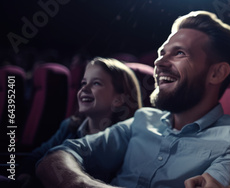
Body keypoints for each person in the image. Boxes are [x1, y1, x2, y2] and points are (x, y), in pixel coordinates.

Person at [36, 10, 230, 188]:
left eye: (180, 53)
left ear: (217, 73)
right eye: (161, 53)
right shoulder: (142, 119)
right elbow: (57, 156)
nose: (159, 62)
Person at [17, 57, 142, 187]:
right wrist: (26, 174)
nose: (84, 89)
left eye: (96, 83)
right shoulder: (69, 126)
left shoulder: (124, 140)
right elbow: (37, 156)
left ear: (118, 100)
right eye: (83, 83)